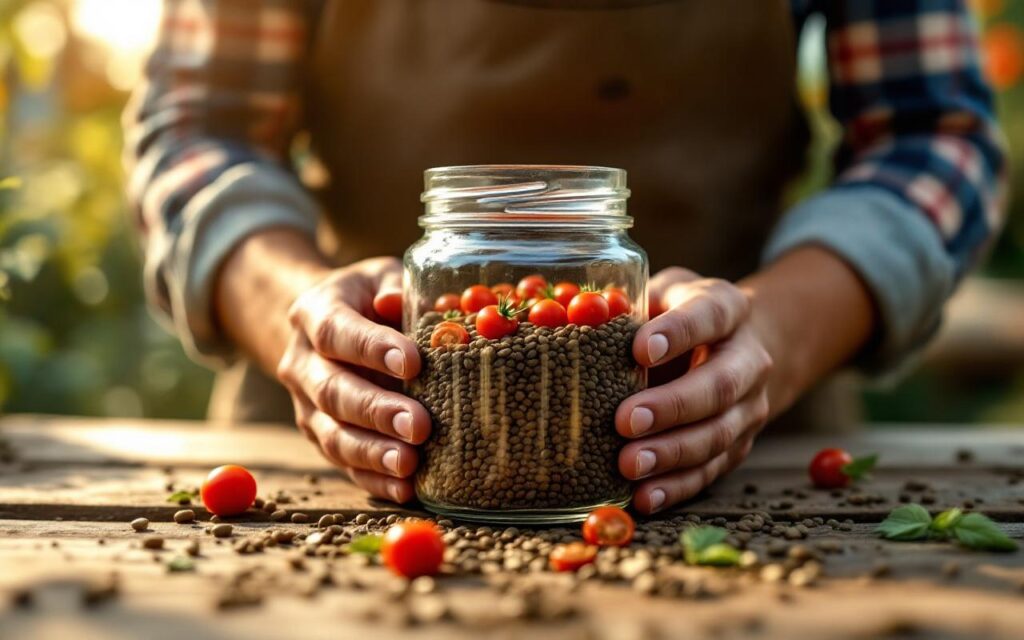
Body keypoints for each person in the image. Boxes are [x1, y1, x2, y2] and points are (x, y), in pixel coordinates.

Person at [124, 0, 1005, 514]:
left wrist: (773, 332)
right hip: (360, 436)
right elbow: (200, 129)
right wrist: (295, 307)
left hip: (756, 432)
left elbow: (935, 137)